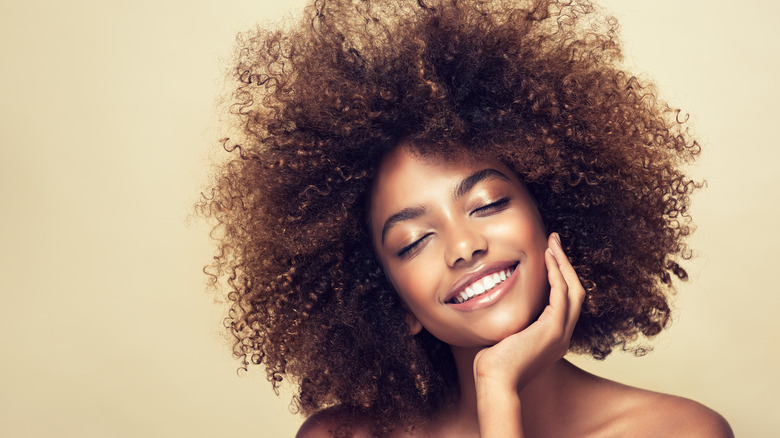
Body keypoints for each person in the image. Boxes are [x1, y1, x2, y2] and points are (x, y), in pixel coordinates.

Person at [201, 0, 733, 436]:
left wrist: (499, 389)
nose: (463, 246)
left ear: (555, 217)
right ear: (393, 302)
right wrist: (495, 391)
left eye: (488, 204)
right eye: (413, 242)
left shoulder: (679, 430)